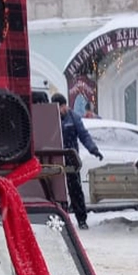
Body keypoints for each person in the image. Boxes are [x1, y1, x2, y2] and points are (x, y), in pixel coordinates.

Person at [51, 93, 102, 229]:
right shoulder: (50, 118)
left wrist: (93, 149)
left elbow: (84, 135)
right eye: (60, 107)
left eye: (63, 106)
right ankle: (60, 218)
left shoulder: (73, 117)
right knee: (56, 190)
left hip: (71, 158)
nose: (63, 109)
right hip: (54, 159)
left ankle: (81, 219)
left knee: (75, 189)